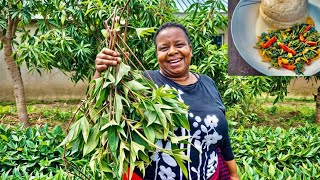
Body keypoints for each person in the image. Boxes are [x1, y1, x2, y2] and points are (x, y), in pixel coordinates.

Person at [94, 22, 239, 180]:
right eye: (164, 48)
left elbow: (223, 136)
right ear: (157, 54)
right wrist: (101, 71)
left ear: (190, 49)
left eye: (179, 45)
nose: (172, 52)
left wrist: (233, 174)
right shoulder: (143, 82)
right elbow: (98, 110)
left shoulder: (207, 83)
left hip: (209, 174)